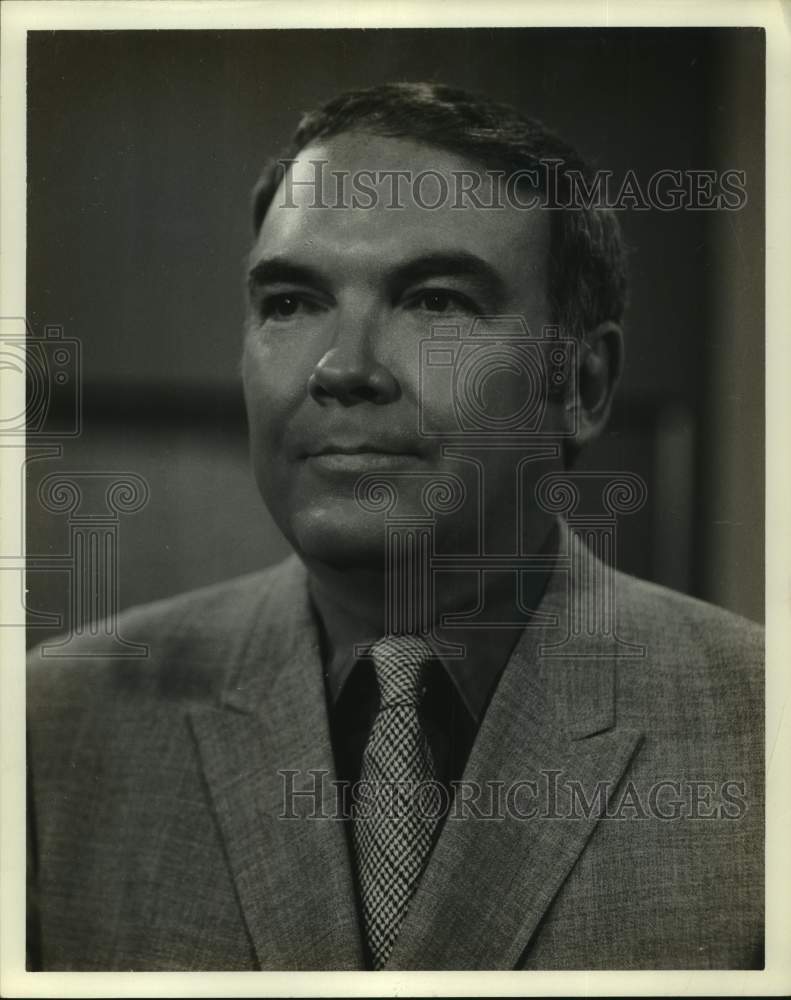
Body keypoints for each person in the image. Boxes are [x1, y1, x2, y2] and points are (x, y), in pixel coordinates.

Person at [27, 83, 763, 971]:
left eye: (436, 303)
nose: (343, 370)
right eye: (291, 303)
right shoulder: (52, 730)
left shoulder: (761, 731)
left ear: (582, 385)